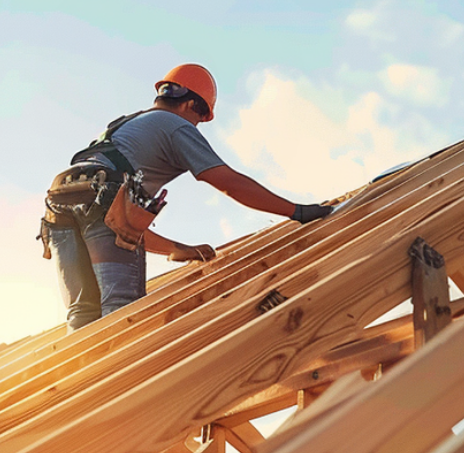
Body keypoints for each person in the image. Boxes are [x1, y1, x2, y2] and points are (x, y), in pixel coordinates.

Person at [40, 63, 333, 331]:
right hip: (103, 194)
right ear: (191, 104)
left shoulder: (127, 126)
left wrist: (178, 248)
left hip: (60, 199)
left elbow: (116, 226)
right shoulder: (176, 126)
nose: (196, 127)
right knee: (121, 312)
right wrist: (295, 211)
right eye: (199, 119)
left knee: (83, 312)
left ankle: (88, 386)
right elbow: (227, 181)